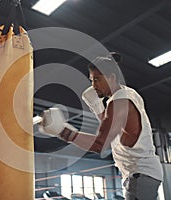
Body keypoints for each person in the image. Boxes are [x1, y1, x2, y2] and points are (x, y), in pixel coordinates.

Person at [38, 53, 163, 200]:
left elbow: (100, 144)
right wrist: (97, 104)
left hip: (141, 174)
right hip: (141, 173)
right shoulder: (127, 94)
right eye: (91, 80)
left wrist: (63, 132)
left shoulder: (119, 102)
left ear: (112, 78)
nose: (93, 85)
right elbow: (109, 125)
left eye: (97, 79)